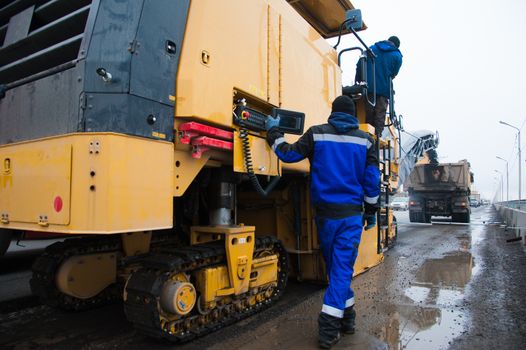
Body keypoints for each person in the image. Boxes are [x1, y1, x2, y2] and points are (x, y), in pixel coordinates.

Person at [265, 95, 380, 349]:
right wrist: (371, 212)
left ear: (333, 112)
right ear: (353, 116)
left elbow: (287, 154)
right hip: (351, 216)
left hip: (325, 216)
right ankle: (329, 330)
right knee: (340, 270)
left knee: (336, 269)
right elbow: (372, 180)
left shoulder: (317, 134)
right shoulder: (366, 140)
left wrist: (273, 131)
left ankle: (347, 320)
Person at [357, 36, 402, 137]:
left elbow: (360, 63)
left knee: (369, 113)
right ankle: (376, 138)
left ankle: (367, 135)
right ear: (397, 45)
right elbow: (394, 73)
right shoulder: (397, 55)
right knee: (380, 114)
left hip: (368, 87)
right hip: (384, 89)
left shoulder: (372, 48)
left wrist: (359, 80)